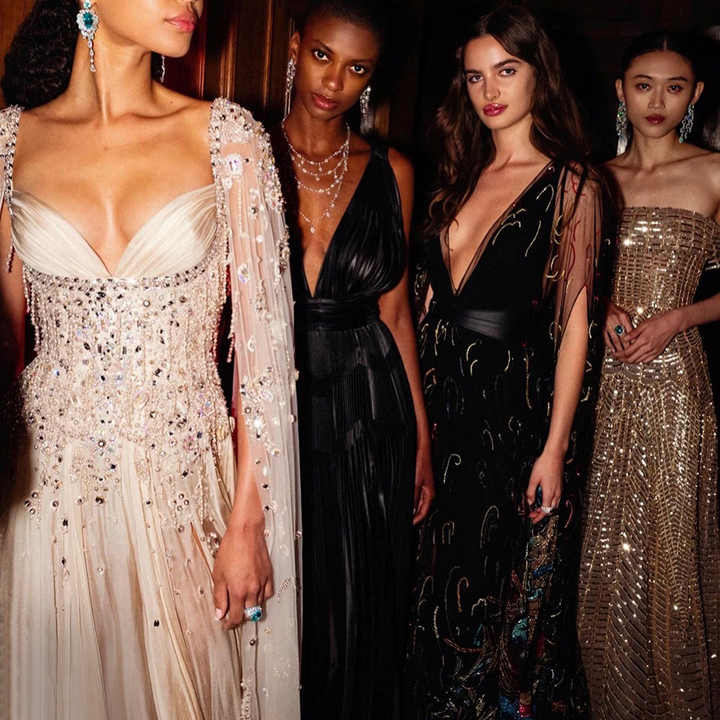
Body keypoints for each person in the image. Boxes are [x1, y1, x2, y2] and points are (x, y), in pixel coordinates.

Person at [0, 1, 301, 718]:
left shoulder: (229, 139)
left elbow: (264, 361)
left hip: (183, 497)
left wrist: (249, 521)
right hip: (46, 497)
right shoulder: (10, 142)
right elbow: (6, 343)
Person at [406, 5, 601, 719]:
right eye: (474, 76)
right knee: (431, 587)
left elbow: (575, 326)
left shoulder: (573, 185)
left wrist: (554, 447)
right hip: (436, 406)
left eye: (506, 71)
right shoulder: (457, 172)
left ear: (537, 74)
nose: (489, 91)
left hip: (507, 418)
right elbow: (422, 303)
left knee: (499, 600)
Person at [275, 0, 434, 717]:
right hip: (275, 397)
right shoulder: (242, 153)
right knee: (286, 593)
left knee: (360, 600)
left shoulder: (393, 171)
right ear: (294, 47)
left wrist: (421, 439)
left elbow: (396, 313)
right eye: (322, 56)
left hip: (370, 409)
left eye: (357, 68)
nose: (334, 81)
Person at [577, 31, 720, 720]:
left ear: (695, 95)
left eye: (674, 87)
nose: (657, 101)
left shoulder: (714, 173)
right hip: (597, 384)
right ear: (620, 91)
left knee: (670, 548)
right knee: (600, 548)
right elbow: (560, 276)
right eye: (643, 85)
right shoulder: (592, 178)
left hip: (676, 386)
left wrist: (680, 318)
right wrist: (598, 301)